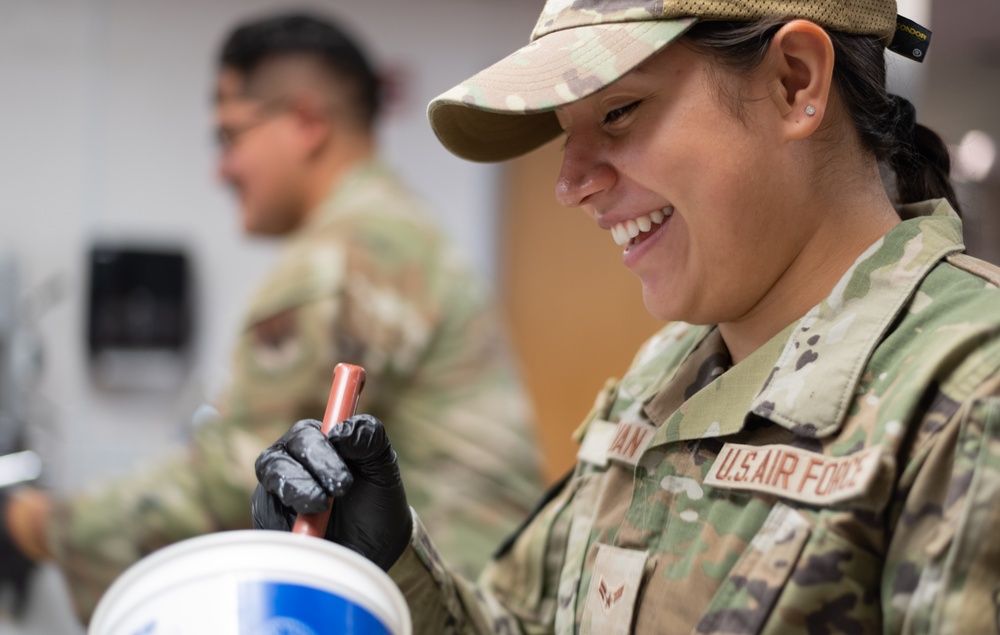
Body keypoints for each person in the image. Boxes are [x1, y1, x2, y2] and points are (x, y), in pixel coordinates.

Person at [252, 0, 1000, 633]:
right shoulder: (668, 371)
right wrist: (383, 563)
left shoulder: (970, 392)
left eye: (619, 111)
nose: (570, 184)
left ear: (793, 81)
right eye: (565, 131)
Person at [0, 11, 544, 623]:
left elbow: (233, 481)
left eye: (230, 136)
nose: (221, 169)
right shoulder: (395, 230)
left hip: (444, 603)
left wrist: (32, 524)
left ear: (307, 122)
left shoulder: (342, 258)